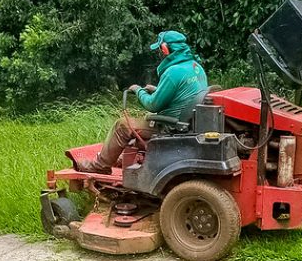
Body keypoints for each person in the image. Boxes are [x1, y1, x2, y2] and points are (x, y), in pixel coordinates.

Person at [77, 30, 208, 174]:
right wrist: (158, 90)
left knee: (122, 126)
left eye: (159, 49)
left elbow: (153, 105)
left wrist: (139, 90)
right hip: (190, 122)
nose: (159, 52)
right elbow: (183, 92)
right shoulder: (195, 66)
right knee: (140, 123)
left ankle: (100, 166)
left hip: (171, 126)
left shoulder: (173, 72)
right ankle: (123, 158)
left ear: (165, 48)